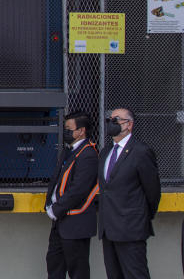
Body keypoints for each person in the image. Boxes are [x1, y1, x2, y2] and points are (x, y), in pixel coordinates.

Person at [98, 108, 161, 279]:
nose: (112, 123)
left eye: (117, 119)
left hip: (131, 229)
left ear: (129, 125)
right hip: (109, 229)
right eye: (110, 119)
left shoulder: (141, 152)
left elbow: (153, 191)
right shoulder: (106, 152)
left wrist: (140, 217)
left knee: (135, 274)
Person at [44, 111, 98, 279]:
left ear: (81, 131)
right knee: (54, 266)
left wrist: (56, 209)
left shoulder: (88, 154)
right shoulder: (69, 151)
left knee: (78, 271)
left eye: (69, 128)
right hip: (60, 222)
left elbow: (78, 189)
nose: (66, 132)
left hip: (75, 223)